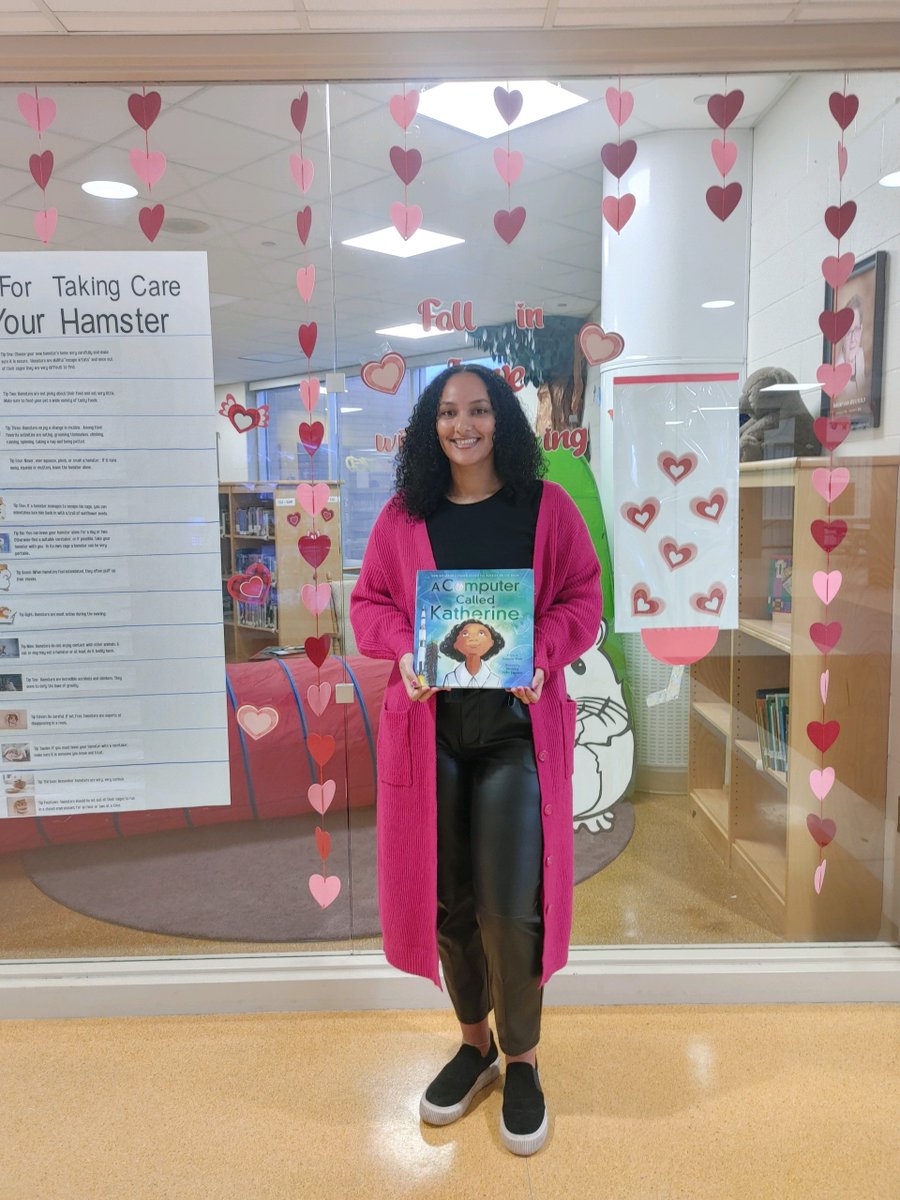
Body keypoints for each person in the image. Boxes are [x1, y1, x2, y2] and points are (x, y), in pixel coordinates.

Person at [350, 363, 601, 1156]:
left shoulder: (545, 508)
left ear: (504, 422)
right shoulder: (402, 518)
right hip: (431, 738)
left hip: (513, 734)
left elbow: (584, 600)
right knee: (449, 901)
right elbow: (368, 608)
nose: (464, 425)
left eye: (479, 411)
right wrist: (404, 649)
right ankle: (474, 1044)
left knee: (508, 905)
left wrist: (545, 652)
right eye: (449, 412)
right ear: (431, 426)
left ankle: (522, 1057)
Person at [439, 619, 504, 688]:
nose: (473, 638)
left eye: (481, 633)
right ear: (455, 644)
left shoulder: (495, 680)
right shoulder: (450, 678)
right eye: (465, 634)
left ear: (492, 642)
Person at [835, 294, 865, 402]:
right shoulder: (836, 371)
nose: (853, 339)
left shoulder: (861, 356)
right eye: (848, 332)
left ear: (861, 329)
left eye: (856, 330)